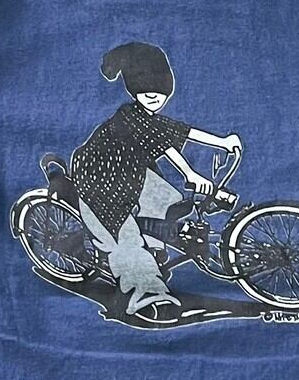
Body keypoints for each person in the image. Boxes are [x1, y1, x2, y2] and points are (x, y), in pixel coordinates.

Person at [71, 42, 241, 323]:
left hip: (130, 172)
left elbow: (180, 131)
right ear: (133, 89)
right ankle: (144, 290)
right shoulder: (128, 116)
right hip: (99, 178)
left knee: (167, 200)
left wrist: (221, 142)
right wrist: (190, 174)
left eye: (160, 92)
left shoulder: (150, 119)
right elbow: (162, 144)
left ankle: (154, 247)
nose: (154, 97)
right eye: (145, 90)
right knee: (123, 235)